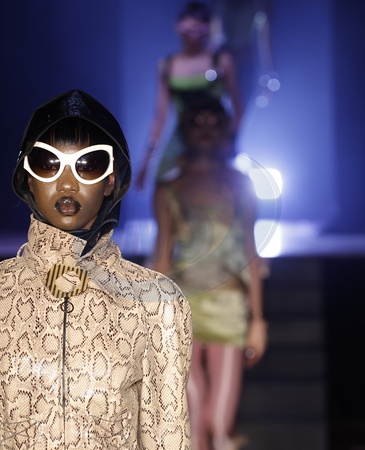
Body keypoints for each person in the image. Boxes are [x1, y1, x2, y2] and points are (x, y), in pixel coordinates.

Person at [0, 90, 193, 449]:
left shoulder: (156, 302)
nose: (67, 183)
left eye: (88, 164)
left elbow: (167, 439)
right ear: (27, 177)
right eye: (48, 163)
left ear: (111, 180)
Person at [152, 97, 267, 450]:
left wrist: (258, 320)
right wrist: (151, 318)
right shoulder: (169, 187)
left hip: (229, 306)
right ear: (185, 129)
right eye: (197, 120)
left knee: (218, 423)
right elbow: (162, 256)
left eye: (213, 121)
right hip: (181, 306)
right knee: (190, 419)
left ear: (225, 129)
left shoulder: (242, 184)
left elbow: (250, 252)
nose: (204, 128)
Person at [136, 1, 244, 190]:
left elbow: (237, 108)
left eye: (199, 27)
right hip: (182, 140)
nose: (193, 33)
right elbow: (160, 116)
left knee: (229, 188)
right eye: (188, 27)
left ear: (207, 29)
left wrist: (230, 141)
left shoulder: (222, 61)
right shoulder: (167, 66)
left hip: (215, 140)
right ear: (178, 28)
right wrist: (146, 162)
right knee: (165, 185)